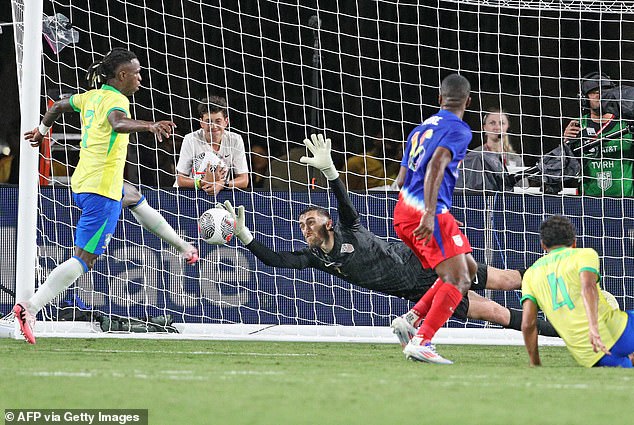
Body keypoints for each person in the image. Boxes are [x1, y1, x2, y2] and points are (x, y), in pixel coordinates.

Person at [219, 133, 558, 346]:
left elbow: (344, 203)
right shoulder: (318, 259)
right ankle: (565, 331)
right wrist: (246, 236)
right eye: (302, 224)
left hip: (430, 261)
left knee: (509, 279)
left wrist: (331, 173)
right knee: (498, 314)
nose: (305, 227)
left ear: (328, 223)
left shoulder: (349, 229)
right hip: (421, 292)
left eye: (310, 220)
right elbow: (277, 261)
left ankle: (562, 279)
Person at [14, 48, 199, 344]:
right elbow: (118, 123)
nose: (140, 78)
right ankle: (30, 308)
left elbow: (59, 105)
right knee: (84, 260)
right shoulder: (116, 99)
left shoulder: (91, 96)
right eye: (136, 73)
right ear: (122, 75)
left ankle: (183, 246)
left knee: (135, 196)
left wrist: (41, 130)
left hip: (85, 180)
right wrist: (150, 126)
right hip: (102, 191)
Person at [392, 74, 476, 364]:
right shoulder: (460, 130)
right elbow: (436, 165)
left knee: (469, 267)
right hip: (426, 212)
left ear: (440, 99)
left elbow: (402, 179)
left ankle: (412, 318)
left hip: (404, 210)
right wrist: (430, 212)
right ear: (468, 100)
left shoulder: (418, 130)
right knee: (458, 278)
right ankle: (423, 340)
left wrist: (437, 213)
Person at [521, 215, 634, 367]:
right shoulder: (584, 254)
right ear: (574, 242)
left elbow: (528, 324)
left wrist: (535, 363)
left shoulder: (530, 274)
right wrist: (593, 328)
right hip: (617, 331)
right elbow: (588, 287)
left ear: (543, 245)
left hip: (589, 354)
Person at [563, 72, 634, 197]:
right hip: (589, 199)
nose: (600, 95)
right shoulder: (577, 126)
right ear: (584, 98)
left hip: (626, 199)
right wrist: (566, 142)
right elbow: (568, 166)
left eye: (604, 90)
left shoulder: (627, 123)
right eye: (594, 92)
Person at [175, 96, 249, 195]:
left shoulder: (235, 140)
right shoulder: (190, 139)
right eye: (208, 121)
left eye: (218, 121)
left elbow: (244, 180)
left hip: (219, 192)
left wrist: (223, 184)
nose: (213, 126)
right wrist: (202, 183)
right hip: (188, 194)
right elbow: (180, 180)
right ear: (201, 122)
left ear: (226, 122)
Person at [457, 107, 522, 192]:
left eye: (501, 123)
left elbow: (523, 189)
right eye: (492, 123)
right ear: (484, 127)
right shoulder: (473, 157)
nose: (497, 127)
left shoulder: (516, 159)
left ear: (507, 127)